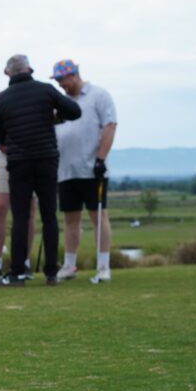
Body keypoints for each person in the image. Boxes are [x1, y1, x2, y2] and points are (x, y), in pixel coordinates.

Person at [0, 54, 81, 286]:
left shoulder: (2, 98)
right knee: (49, 215)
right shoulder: (46, 90)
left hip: (19, 161)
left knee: (20, 217)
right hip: (47, 158)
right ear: (29, 70)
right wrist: (53, 118)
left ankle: (18, 273)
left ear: (7, 73)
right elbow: (74, 111)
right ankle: (51, 272)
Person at [50, 59, 118, 282]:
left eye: (62, 80)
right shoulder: (61, 103)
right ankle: (70, 265)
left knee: (98, 216)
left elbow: (110, 125)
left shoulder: (98, 95)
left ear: (74, 75)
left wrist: (101, 158)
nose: (61, 85)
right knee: (70, 219)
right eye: (58, 81)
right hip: (65, 170)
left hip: (92, 168)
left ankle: (103, 266)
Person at [0, 116, 37, 281]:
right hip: (6, 155)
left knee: (29, 210)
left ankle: (24, 262)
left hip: (32, 156)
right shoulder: (2, 99)